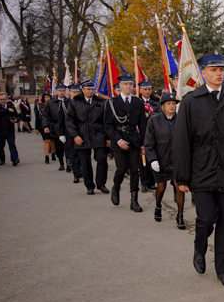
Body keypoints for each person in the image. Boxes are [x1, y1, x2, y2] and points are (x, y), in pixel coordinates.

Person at [174, 51, 224, 288]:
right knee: (206, 219)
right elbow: (182, 141)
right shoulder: (191, 101)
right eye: (213, 70)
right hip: (202, 171)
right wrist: (182, 175)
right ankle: (199, 248)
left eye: (221, 70)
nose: (219, 73)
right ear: (203, 73)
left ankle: (223, 269)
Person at [103, 74, 147, 212]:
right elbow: (108, 125)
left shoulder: (138, 102)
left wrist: (143, 144)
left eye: (130, 84)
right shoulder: (112, 102)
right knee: (121, 169)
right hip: (118, 138)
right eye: (125, 84)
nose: (128, 86)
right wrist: (118, 140)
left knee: (135, 170)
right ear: (120, 86)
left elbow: (143, 125)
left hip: (133, 139)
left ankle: (134, 200)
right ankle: (116, 187)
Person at [145, 93, 185, 228]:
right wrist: (152, 160)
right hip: (160, 161)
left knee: (180, 187)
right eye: (168, 103)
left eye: (173, 103)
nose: (172, 106)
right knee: (161, 187)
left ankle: (180, 216)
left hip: (177, 161)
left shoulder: (181, 120)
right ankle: (158, 206)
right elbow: (149, 143)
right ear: (162, 106)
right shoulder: (154, 120)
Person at [65, 79, 109, 196]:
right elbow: (69, 121)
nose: (90, 91)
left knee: (102, 159)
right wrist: (75, 136)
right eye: (88, 89)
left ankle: (101, 183)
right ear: (82, 90)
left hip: (98, 135)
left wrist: (107, 137)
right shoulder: (75, 102)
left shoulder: (101, 102)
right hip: (82, 136)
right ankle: (89, 185)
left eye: (92, 89)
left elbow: (106, 121)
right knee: (85, 162)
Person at [42, 84, 69, 172]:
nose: (62, 92)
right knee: (59, 147)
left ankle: (69, 163)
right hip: (56, 126)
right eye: (60, 91)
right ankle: (61, 162)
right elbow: (45, 115)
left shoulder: (69, 102)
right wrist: (45, 126)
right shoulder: (50, 103)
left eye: (63, 91)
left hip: (68, 126)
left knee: (68, 147)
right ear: (57, 91)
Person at [0, 92, 20, 166]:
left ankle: (14, 159)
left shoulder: (10, 105)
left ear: (7, 99)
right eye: (1, 99)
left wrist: (15, 120)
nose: (2, 101)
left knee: (12, 144)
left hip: (9, 129)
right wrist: (7, 110)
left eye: (4, 99)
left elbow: (17, 115)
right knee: (0, 146)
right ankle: (2, 159)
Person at [138, 80, 157, 193]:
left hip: (154, 133)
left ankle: (152, 182)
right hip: (142, 132)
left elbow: (160, 113)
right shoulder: (137, 102)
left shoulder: (156, 102)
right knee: (143, 160)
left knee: (153, 158)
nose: (147, 91)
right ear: (140, 90)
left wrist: (149, 114)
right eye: (145, 89)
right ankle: (144, 182)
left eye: (149, 89)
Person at [62, 84, 83, 183]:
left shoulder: (83, 102)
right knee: (73, 153)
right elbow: (62, 119)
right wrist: (61, 133)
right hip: (70, 132)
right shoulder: (64, 103)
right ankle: (76, 174)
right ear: (69, 92)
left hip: (82, 132)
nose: (76, 94)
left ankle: (81, 171)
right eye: (74, 92)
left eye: (77, 92)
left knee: (81, 154)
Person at [35, 93, 55, 164]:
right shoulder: (39, 106)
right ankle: (46, 156)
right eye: (45, 97)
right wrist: (36, 127)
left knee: (52, 140)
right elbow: (37, 117)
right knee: (46, 140)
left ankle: (53, 153)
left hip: (52, 124)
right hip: (43, 125)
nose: (47, 98)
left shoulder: (53, 104)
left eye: (48, 97)